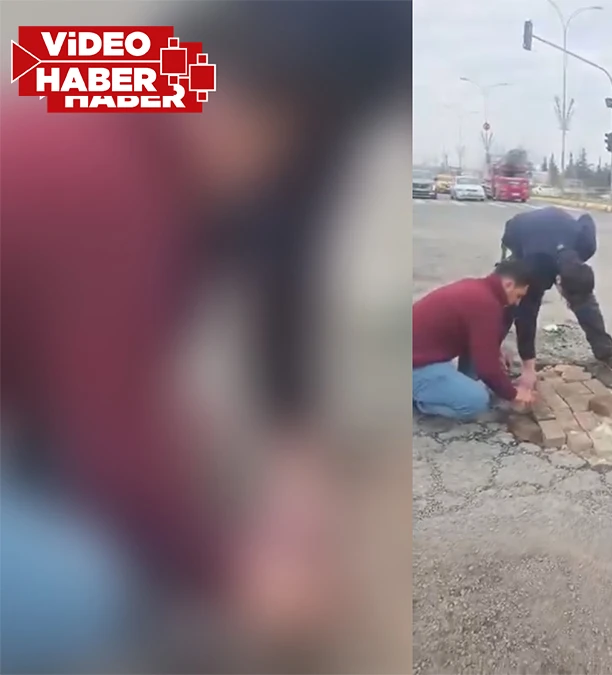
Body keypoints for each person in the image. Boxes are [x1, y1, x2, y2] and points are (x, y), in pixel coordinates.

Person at [0, 1, 411, 670]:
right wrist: (232, 575)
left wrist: (293, 445)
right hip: (230, 88)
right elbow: (113, 417)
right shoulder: (115, 188)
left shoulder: (112, 102)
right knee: (86, 593)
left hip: (216, 80)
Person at [500, 207, 612, 392]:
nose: (568, 304)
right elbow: (527, 316)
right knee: (513, 300)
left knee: (587, 307)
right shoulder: (535, 268)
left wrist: (578, 298)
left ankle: (606, 353)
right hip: (519, 233)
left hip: (557, 233)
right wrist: (528, 367)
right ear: (558, 281)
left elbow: (586, 217)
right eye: (567, 298)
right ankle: (491, 350)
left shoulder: (586, 245)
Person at [412, 259, 539, 419]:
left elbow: (480, 340)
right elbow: (487, 368)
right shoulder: (486, 304)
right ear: (508, 285)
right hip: (415, 365)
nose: (517, 302)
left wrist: (494, 349)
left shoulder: (477, 289)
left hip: (416, 352)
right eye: (518, 295)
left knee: (484, 373)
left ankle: (441, 388)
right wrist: (514, 394)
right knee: (476, 402)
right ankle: (418, 399)